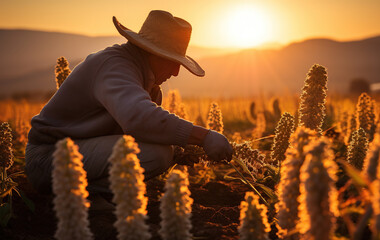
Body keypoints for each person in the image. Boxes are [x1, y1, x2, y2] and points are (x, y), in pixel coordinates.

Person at [25, 10, 233, 196]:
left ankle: (85, 196)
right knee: (156, 155)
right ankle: (77, 197)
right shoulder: (114, 66)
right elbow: (139, 119)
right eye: (172, 61)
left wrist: (179, 150)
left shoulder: (146, 82)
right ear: (152, 52)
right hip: (47, 158)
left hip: (73, 153)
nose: (176, 72)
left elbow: (138, 131)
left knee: (162, 152)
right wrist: (203, 136)